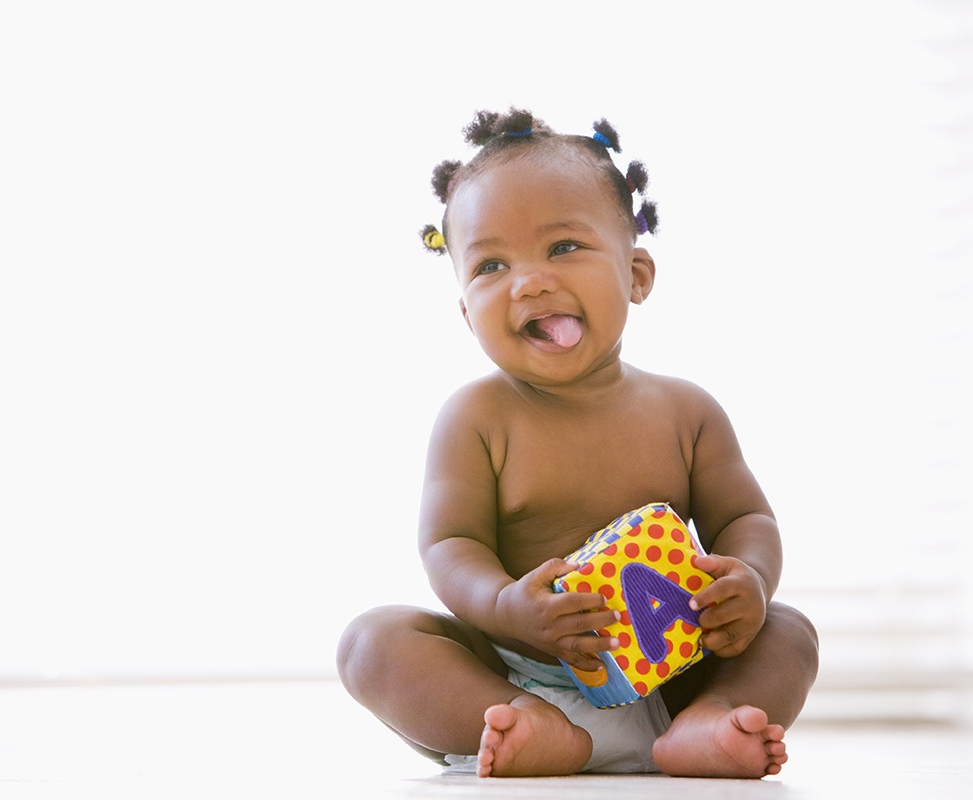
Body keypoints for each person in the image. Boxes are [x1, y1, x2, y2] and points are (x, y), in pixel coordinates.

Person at [335, 108, 819, 779]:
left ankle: (708, 721)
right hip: (515, 673)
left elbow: (745, 519)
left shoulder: (686, 412)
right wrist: (509, 608)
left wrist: (750, 582)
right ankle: (535, 730)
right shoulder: (477, 417)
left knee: (789, 632)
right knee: (371, 643)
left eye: (563, 248)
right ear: (466, 313)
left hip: (671, 671)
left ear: (637, 274)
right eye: (491, 264)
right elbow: (450, 544)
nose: (528, 281)